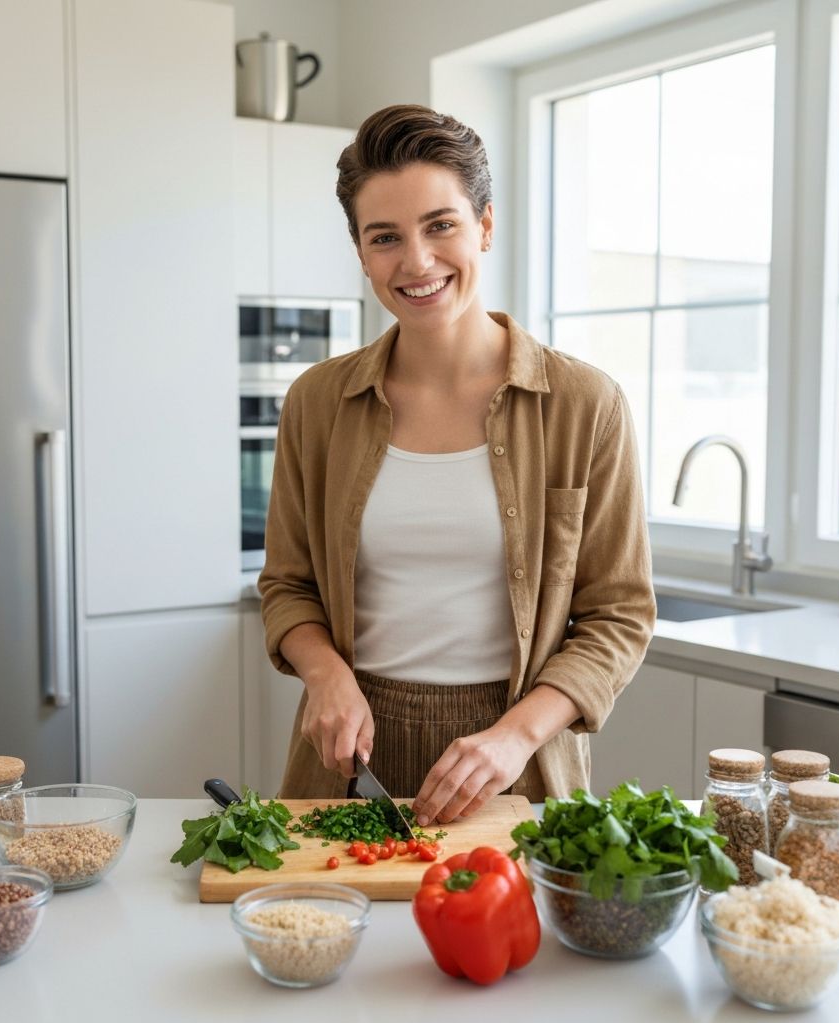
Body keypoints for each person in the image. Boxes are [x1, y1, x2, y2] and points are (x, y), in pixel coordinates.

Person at [258, 104, 655, 826]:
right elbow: (287, 585)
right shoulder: (318, 403)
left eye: (440, 225)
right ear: (360, 252)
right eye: (386, 237)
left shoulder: (585, 404)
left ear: (486, 226)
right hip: (348, 758)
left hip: (516, 762)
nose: (416, 261)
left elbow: (619, 615)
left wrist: (515, 738)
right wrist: (325, 673)